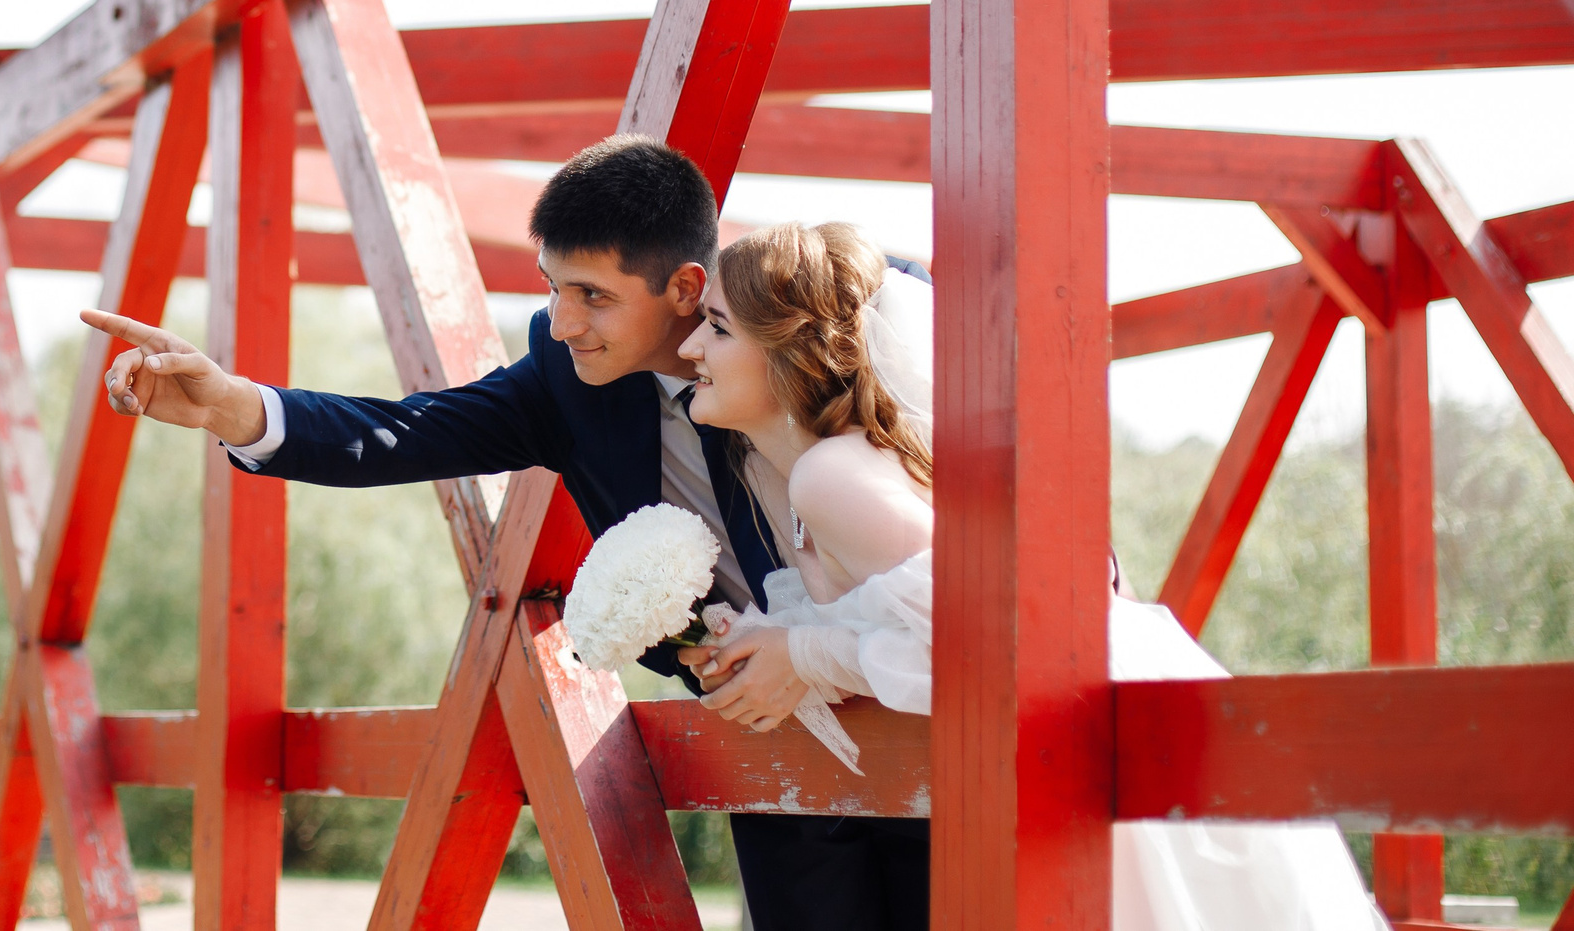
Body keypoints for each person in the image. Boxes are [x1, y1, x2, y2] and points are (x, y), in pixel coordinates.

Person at [81, 135, 922, 931]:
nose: (562, 320)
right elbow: (411, 431)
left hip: (927, 708)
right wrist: (237, 407)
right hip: (770, 738)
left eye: (594, 294)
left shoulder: (836, 333)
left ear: (684, 286)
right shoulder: (569, 379)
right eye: (553, 286)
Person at [678, 219, 1384, 931]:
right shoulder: (823, 469)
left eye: (718, 328)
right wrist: (772, 647)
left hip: (1093, 738)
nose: (690, 348)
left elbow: (1006, 638)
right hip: (1095, 735)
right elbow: (920, 621)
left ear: (790, 349)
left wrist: (803, 654)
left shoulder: (831, 476)